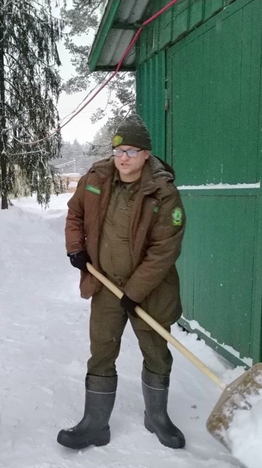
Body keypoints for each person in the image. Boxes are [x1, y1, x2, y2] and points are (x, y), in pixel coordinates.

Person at [58, 113, 186, 451]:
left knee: (156, 353)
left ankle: (157, 417)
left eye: (130, 151)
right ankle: (95, 424)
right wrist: (76, 248)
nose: (123, 157)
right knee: (101, 352)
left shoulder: (164, 192)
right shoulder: (96, 178)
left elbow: (164, 250)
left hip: (151, 291)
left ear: (146, 154)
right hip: (104, 285)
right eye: (118, 151)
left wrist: (135, 291)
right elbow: (75, 213)